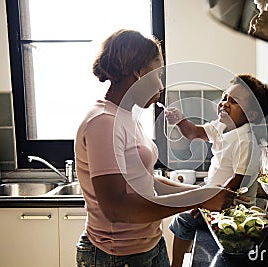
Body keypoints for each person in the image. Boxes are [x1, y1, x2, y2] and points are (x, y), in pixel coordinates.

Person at [74, 29, 236, 267]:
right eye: (158, 74)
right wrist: (199, 198)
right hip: (116, 256)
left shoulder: (126, 117)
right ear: (138, 73)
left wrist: (204, 193)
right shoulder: (103, 123)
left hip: (149, 245)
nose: (161, 84)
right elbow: (116, 208)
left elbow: (148, 183)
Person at [164, 74, 268, 267]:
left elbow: (235, 183)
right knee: (184, 215)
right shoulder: (222, 126)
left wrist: (204, 203)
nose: (224, 104)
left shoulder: (245, 141)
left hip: (232, 208)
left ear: (252, 115)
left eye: (234, 102)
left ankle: (176, 264)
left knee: (182, 219)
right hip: (213, 198)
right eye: (224, 98)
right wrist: (180, 120)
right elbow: (193, 133)